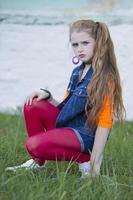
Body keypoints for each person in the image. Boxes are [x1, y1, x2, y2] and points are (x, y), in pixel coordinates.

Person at [6, 19, 125, 177]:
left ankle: (85, 159)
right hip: (68, 126)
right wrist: (48, 98)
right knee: (32, 105)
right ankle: (38, 162)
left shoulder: (105, 78)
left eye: (85, 43)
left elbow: (104, 122)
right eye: (75, 45)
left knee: (33, 145)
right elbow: (66, 108)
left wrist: (96, 165)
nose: (80, 49)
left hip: (83, 135)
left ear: (99, 43)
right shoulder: (77, 72)